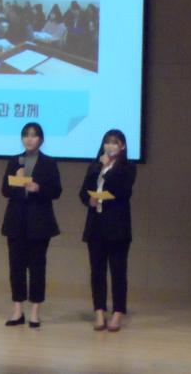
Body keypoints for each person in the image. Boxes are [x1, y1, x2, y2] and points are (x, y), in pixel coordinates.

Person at [1, 122, 62, 328]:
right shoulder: (14, 161)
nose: (29, 139)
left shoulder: (49, 163)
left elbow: (56, 191)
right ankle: (18, 310)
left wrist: (38, 188)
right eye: (25, 135)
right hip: (16, 221)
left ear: (41, 140)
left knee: (37, 267)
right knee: (16, 267)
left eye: (34, 135)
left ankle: (35, 311)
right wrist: (17, 181)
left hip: (39, 222)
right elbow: (4, 190)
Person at [78, 129, 136, 332]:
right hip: (96, 225)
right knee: (97, 271)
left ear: (123, 146)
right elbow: (83, 192)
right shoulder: (95, 166)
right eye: (107, 142)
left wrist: (106, 168)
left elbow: (122, 191)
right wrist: (90, 199)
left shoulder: (127, 167)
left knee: (118, 271)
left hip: (117, 226)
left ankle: (118, 313)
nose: (110, 146)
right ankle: (99, 312)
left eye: (115, 143)